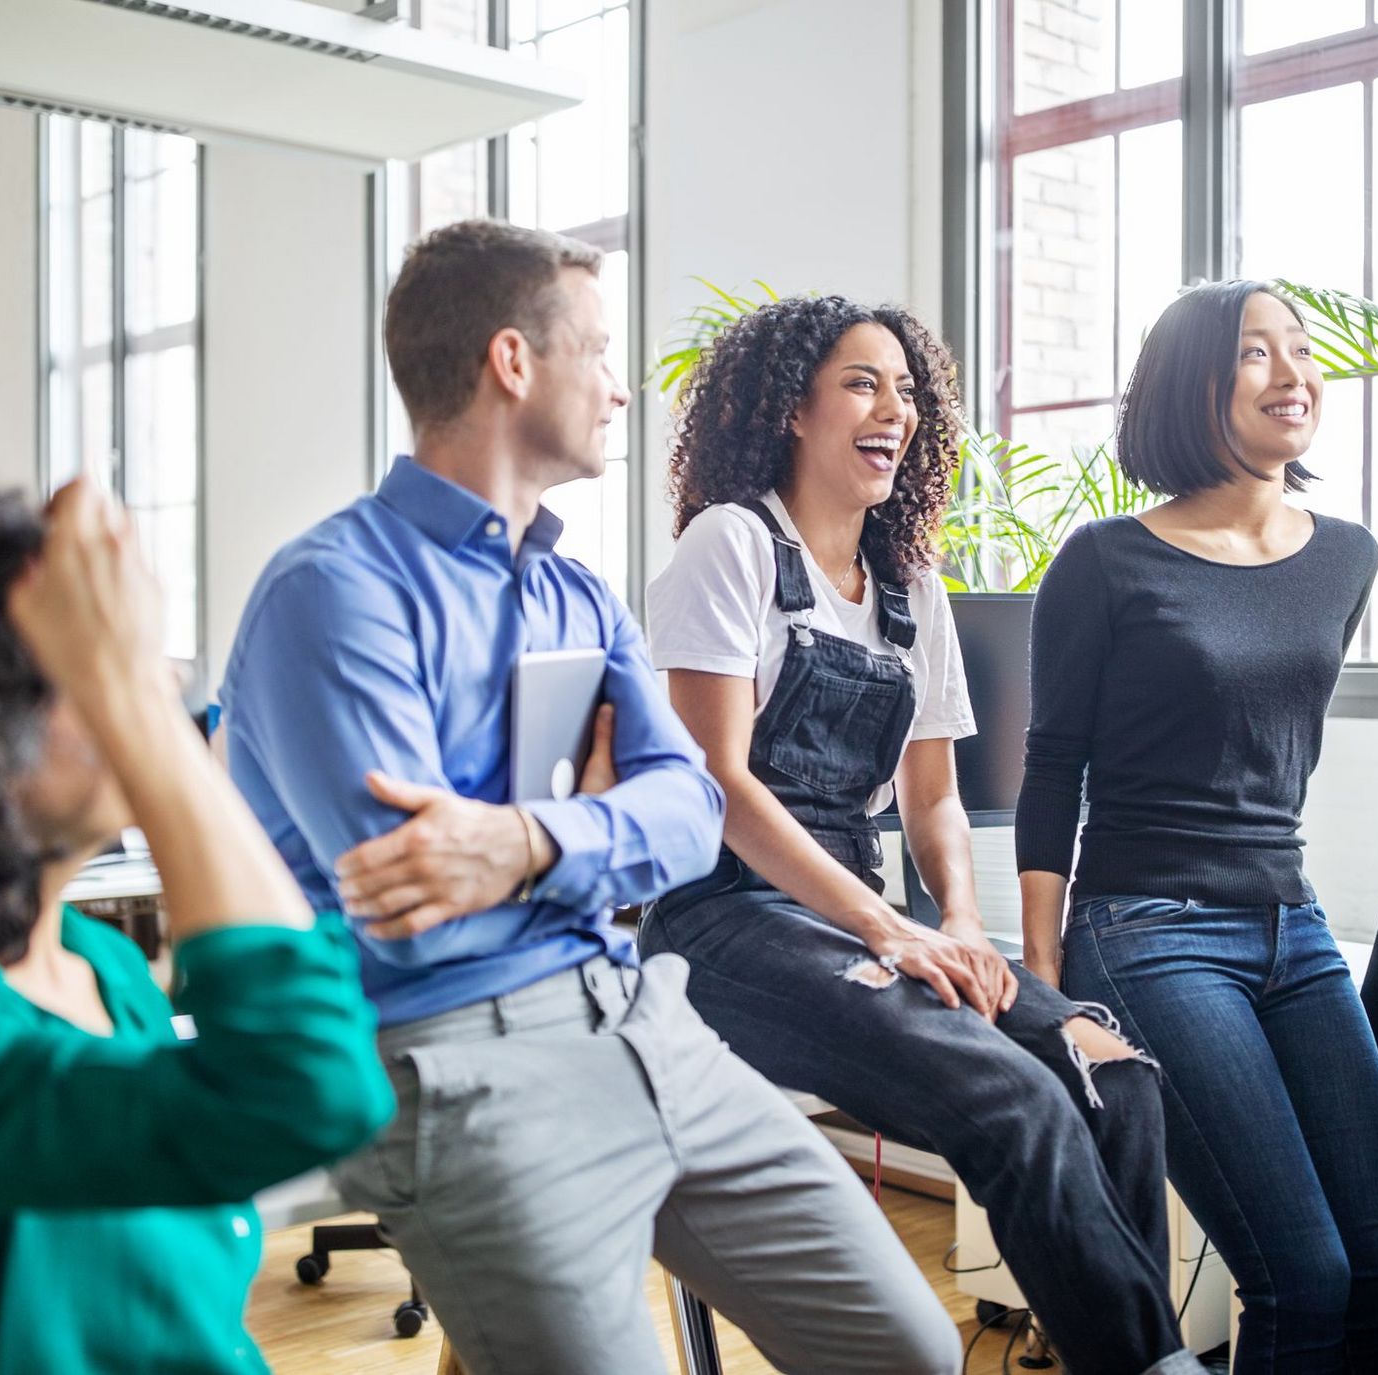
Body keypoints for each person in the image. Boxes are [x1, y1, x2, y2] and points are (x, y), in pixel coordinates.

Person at [220, 223, 960, 1375]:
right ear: (514, 363)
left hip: (636, 1013)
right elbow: (416, 899)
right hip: (459, 1059)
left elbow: (689, 816)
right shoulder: (333, 592)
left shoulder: (576, 593)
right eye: (600, 353)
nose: (621, 390)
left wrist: (521, 839)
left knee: (910, 1347)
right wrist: (600, 831)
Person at [643, 293, 1205, 1375]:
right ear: (790, 409)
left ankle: (1120, 1353)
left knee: (1117, 1073)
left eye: (906, 389)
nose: (892, 408)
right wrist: (888, 931)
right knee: (1016, 1101)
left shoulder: (909, 586)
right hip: (723, 919)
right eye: (861, 382)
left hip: (861, 913)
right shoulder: (734, 546)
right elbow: (717, 781)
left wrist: (959, 924)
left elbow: (932, 797)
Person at [0, 479, 393, 1374]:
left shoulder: (103, 965)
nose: (154, 682)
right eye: (85, 669)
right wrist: (138, 705)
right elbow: (309, 1080)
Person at [1018, 279, 1378, 1373]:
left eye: (1301, 351)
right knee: (1305, 1274)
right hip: (1147, 928)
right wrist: (1045, 987)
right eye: (1256, 353)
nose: (1292, 374)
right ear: (1191, 386)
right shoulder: (1104, 560)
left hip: (1294, 930)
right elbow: (1053, 769)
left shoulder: (1348, 557)